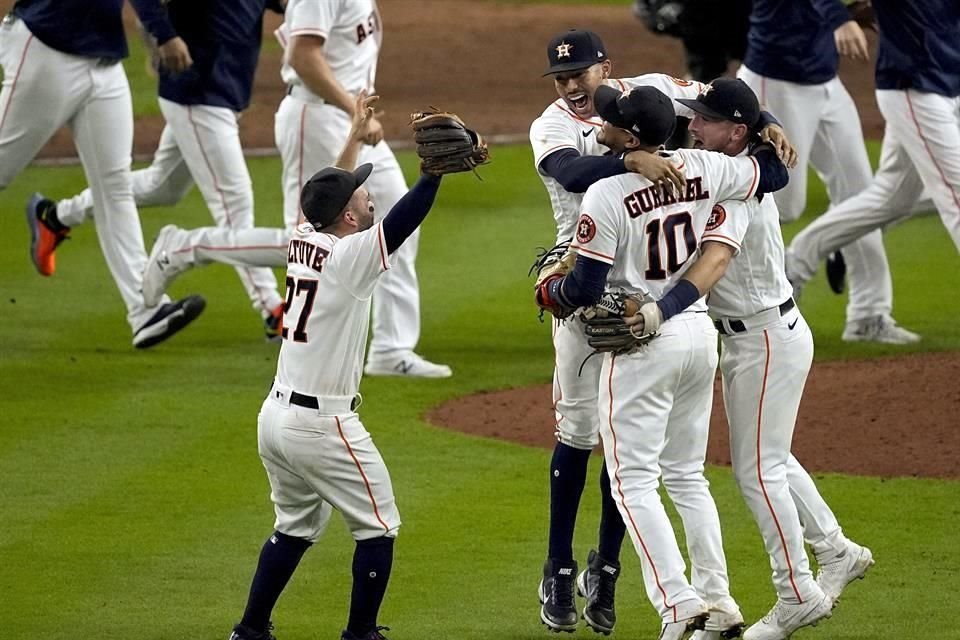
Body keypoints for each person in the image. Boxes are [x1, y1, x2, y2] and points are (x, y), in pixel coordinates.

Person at [530, 29, 792, 636]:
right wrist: (633, 159)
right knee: (587, 433)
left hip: (602, 291)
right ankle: (561, 566)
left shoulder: (647, 103)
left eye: (580, 74)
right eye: (561, 78)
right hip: (664, 303)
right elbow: (571, 172)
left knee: (631, 463)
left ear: (607, 70)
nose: (571, 86)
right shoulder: (559, 127)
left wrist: (764, 120)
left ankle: (618, 571)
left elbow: (723, 99)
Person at [654, 77, 874, 640]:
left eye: (704, 121)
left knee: (758, 471)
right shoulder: (739, 163)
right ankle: (836, 549)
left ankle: (796, 592)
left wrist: (659, 311)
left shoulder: (739, 188)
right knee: (770, 458)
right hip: (761, 336)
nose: (693, 126)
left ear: (735, 131)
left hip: (764, 339)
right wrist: (769, 124)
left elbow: (715, 265)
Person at [228, 95, 445, 640]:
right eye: (362, 191)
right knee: (378, 528)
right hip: (322, 426)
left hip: (275, 419)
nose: (370, 193)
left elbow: (330, 188)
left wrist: (353, 131)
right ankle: (360, 635)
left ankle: (250, 631)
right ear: (349, 214)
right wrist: (432, 177)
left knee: (294, 527)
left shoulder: (306, 238)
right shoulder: (350, 259)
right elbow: (402, 221)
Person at [30, 0, 288, 341]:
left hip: (225, 91)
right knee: (233, 203)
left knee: (160, 186)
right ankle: (272, 308)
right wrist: (164, 36)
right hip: (197, 93)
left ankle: (56, 216)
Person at [5, 0, 205, 349]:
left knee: (114, 186)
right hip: (47, 50)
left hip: (104, 60)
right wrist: (165, 35)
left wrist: (154, 36)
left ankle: (146, 311)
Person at [271, 0, 448, 377]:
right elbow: (303, 55)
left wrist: (355, 119)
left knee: (397, 218)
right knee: (307, 238)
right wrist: (352, 110)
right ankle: (192, 249)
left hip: (349, 117)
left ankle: (390, 348)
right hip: (317, 115)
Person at [736, 0, 919, 344]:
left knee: (862, 197)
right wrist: (838, 18)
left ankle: (869, 314)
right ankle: (734, 298)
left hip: (825, 80)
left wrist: (849, 13)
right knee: (783, 205)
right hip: (775, 82)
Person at [786, 1, 960, 294]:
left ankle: (798, 259)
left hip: (952, 80)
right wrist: (840, 18)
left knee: (893, 197)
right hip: (916, 87)